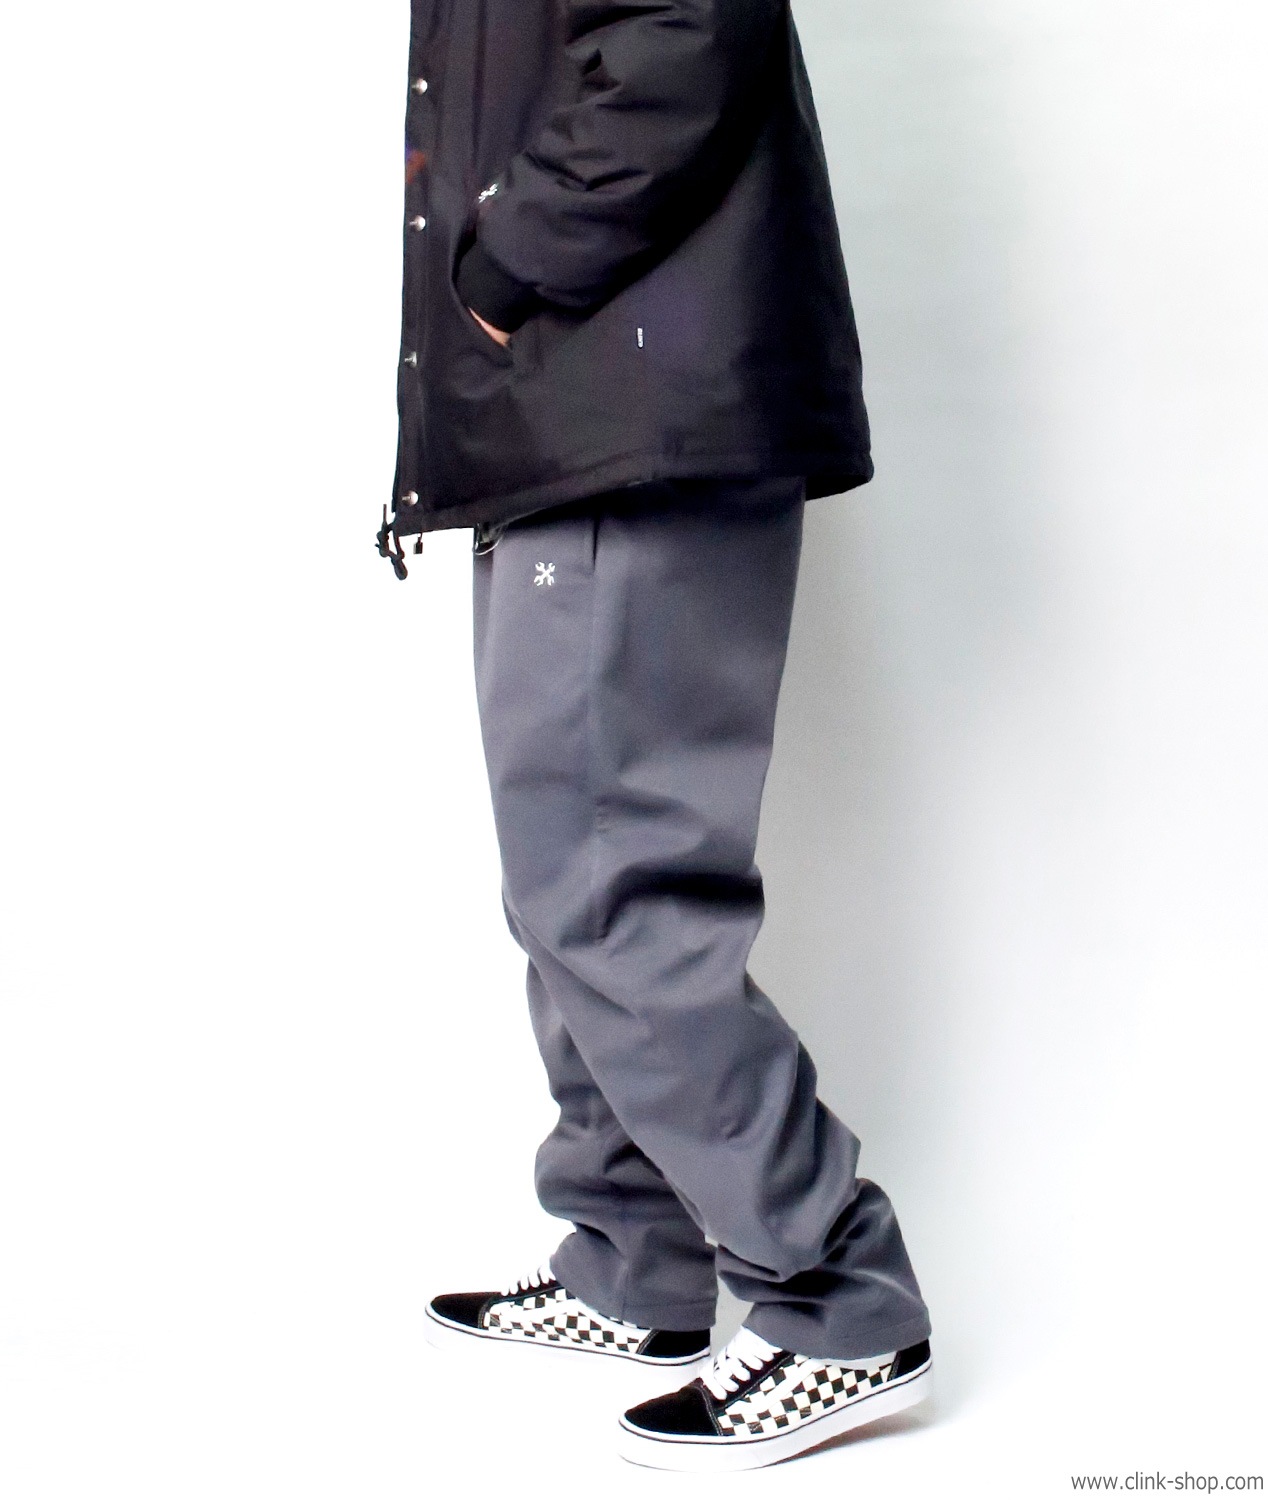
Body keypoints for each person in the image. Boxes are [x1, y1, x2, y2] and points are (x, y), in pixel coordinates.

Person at [382, 0, 933, 1473]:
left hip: (632, 392)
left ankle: (840, 1305)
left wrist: (508, 262)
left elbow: (687, 30)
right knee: (565, 873)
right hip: (578, 405)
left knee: (609, 883)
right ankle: (636, 1256)